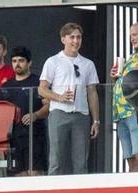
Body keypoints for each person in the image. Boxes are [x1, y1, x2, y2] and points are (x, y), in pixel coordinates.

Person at [38, 22, 101, 175]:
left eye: (78, 37)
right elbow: (42, 89)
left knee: (81, 161)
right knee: (56, 159)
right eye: (71, 37)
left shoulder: (88, 64)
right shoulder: (53, 61)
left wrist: (96, 120)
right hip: (59, 113)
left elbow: (92, 92)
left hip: (81, 115)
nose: (76, 41)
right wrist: (59, 97)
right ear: (63, 39)